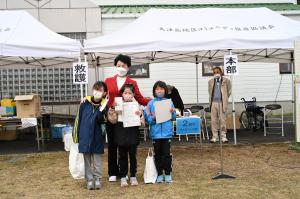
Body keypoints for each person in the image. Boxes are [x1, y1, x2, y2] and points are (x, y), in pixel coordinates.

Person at [104, 54, 150, 182]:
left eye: (123, 65)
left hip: (127, 118)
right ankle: (113, 171)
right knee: (112, 144)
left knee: (125, 145)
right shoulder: (108, 81)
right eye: (118, 65)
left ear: (128, 67)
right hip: (113, 116)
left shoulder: (132, 82)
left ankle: (127, 172)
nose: (121, 68)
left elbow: (140, 98)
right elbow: (103, 97)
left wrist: (152, 102)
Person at [73, 81, 108, 190]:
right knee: (87, 160)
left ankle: (97, 178)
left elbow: (102, 121)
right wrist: (76, 136)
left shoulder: (105, 105)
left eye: (100, 90)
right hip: (84, 137)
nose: (97, 92)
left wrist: (101, 110)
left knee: (97, 160)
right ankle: (89, 180)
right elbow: (78, 120)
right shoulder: (84, 103)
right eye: (95, 89)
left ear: (104, 93)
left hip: (97, 137)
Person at [144, 81, 176, 183]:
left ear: (165, 90)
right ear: (154, 91)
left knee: (166, 154)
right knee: (157, 155)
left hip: (167, 133)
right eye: (157, 89)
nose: (159, 91)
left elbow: (174, 117)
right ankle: (158, 174)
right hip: (156, 134)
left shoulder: (169, 102)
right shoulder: (150, 103)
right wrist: (154, 118)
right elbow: (147, 118)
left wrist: (173, 112)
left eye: (161, 89)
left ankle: (167, 174)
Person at [113, 83, 141, 187]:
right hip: (121, 131)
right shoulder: (118, 103)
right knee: (122, 156)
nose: (127, 95)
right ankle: (123, 176)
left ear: (133, 94)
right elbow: (111, 120)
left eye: (130, 93)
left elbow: (142, 122)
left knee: (133, 156)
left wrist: (140, 115)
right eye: (125, 93)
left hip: (133, 132)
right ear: (122, 94)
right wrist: (113, 108)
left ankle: (133, 176)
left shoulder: (136, 104)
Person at [208, 66, 232, 143]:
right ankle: (215, 136)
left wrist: (225, 99)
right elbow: (210, 92)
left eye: (217, 72)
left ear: (221, 72)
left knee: (222, 120)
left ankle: (223, 136)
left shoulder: (226, 81)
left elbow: (229, 91)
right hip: (213, 103)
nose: (216, 73)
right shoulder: (210, 81)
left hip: (222, 103)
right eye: (214, 72)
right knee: (213, 120)